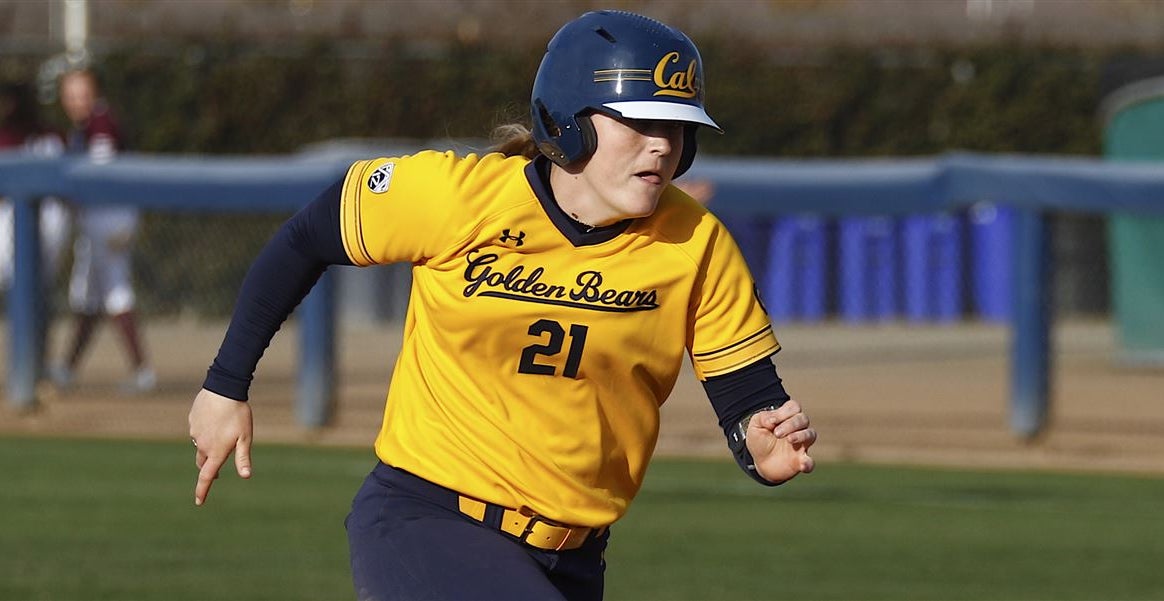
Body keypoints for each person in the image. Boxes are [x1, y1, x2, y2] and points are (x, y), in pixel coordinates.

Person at [189, 10, 816, 601]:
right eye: (639, 122)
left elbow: (748, 400)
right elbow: (307, 237)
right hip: (429, 519)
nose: (662, 145)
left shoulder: (695, 244)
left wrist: (761, 446)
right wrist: (225, 387)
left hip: (575, 556)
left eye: (676, 127)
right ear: (569, 119)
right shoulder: (460, 199)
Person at [48, 68, 155, 394]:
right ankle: (67, 369)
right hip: (100, 219)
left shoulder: (101, 122)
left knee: (114, 291)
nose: (75, 101)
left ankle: (142, 372)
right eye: (70, 96)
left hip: (110, 219)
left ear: (94, 93)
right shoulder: (86, 125)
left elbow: (100, 175)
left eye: (81, 94)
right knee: (89, 296)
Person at [0, 80, 71, 379]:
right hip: (5, 217)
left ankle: (33, 367)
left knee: (36, 295)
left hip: (47, 221)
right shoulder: (6, 135)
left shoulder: (50, 136)